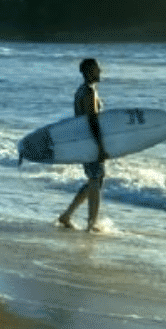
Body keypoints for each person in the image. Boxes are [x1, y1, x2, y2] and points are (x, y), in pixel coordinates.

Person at [57, 58, 110, 232]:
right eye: (96, 69)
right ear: (89, 72)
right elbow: (93, 122)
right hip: (90, 142)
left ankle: (67, 215)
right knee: (95, 180)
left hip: (84, 141)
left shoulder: (82, 90)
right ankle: (92, 223)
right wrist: (100, 147)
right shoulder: (88, 92)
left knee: (96, 179)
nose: (100, 72)